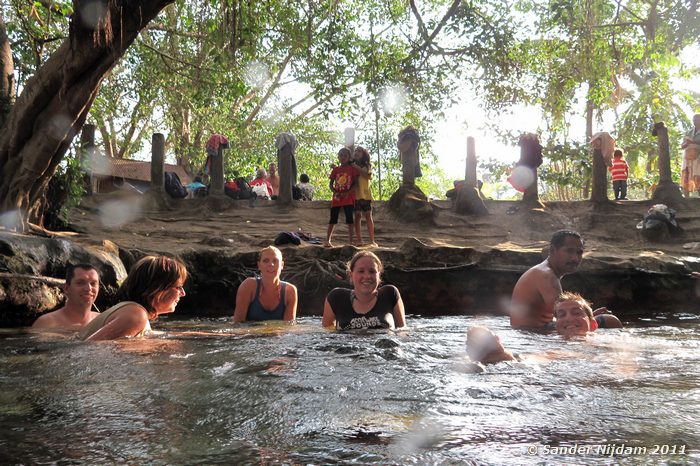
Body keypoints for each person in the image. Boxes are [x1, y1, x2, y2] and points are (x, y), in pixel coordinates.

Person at [468, 292, 622, 364]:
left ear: (593, 324)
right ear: (556, 326)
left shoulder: (608, 341)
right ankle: (506, 357)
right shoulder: (553, 345)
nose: (568, 318)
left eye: (576, 313)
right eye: (561, 315)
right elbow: (545, 356)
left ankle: (503, 357)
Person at [79, 255, 187, 340]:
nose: (183, 293)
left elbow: (150, 335)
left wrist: (193, 335)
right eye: (178, 287)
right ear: (157, 289)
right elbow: (90, 348)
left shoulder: (134, 312)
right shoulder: (136, 315)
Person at [322, 251, 406, 330]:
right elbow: (326, 335)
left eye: (372, 271)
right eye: (361, 271)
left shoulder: (390, 294)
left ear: (379, 275)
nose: (367, 276)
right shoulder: (336, 298)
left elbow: (402, 333)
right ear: (351, 275)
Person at [233, 246, 297, 322]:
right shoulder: (248, 286)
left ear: (282, 265)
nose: (271, 264)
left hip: (277, 333)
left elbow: (288, 328)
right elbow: (237, 324)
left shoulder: (290, 291)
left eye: (275, 261)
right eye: (266, 261)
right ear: (259, 265)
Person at [32, 264, 101, 330]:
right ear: (66, 288)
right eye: (80, 283)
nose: (88, 288)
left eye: (93, 283)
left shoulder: (103, 321)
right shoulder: (48, 323)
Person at [325, 148, 360, 248]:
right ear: (338, 157)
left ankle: (350, 241)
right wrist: (335, 191)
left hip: (348, 198)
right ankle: (328, 240)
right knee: (333, 219)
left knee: (349, 219)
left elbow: (356, 184)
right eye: (341, 155)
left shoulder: (353, 169)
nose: (343, 157)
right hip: (337, 199)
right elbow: (331, 184)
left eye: (345, 155)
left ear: (349, 157)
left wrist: (348, 193)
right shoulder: (336, 170)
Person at [352, 146, 377, 247]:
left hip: (366, 195)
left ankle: (372, 240)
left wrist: (357, 168)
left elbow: (368, 176)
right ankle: (359, 240)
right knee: (357, 216)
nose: (356, 152)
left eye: (359, 151)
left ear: (364, 154)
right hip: (356, 195)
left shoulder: (367, 165)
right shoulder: (351, 165)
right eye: (355, 151)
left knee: (368, 216)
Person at [681, 114, 700, 197]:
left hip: (698, 158)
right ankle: (686, 198)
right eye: (694, 120)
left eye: (697, 120)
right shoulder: (688, 132)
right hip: (688, 157)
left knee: (698, 176)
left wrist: (693, 142)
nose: (695, 122)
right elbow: (682, 146)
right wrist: (686, 143)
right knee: (686, 176)